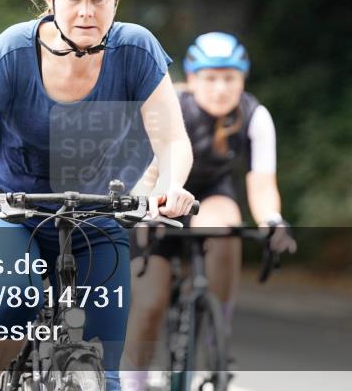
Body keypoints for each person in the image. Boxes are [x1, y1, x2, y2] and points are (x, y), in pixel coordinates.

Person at [0, 0, 197, 391]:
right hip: (6, 207)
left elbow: (173, 140)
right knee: (15, 298)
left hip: (94, 213)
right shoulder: (15, 50)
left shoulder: (136, 50)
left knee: (106, 375)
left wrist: (171, 186)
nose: (86, 11)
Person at [120, 32, 296, 391]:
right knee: (150, 301)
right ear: (193, 77)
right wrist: (144, 212)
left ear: (242, 79)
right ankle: (133, 378)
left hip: (210, 195)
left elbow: (261, 185)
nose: (220, 88)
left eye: (229, 78)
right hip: (159, 194)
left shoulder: (254, 115)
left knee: (226, 226)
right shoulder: (170, 107)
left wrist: (272, 222)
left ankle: (218, 335)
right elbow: (144, 171)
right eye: (210, 78)